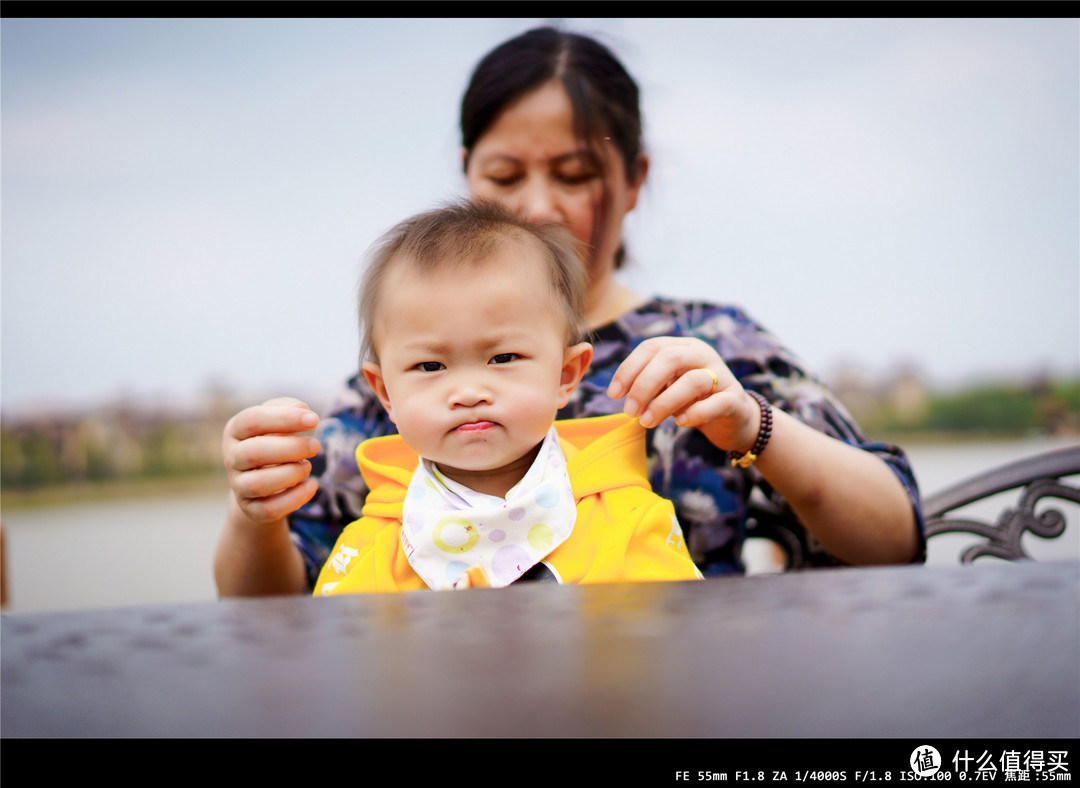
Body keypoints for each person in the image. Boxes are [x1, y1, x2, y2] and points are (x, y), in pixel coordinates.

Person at [215, 26, 924, 598]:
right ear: (467, 172)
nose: (538, 206)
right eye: (503, 176)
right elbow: (279, 612)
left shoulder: (712, 346)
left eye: (575, 175)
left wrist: (752, 423)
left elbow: (895, 542)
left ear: (634, 179)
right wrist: (255, 515)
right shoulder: (409, 386)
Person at [313, 200, 702, 594]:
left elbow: (673, 637)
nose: (468, 393)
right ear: (385, 394)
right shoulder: (370, 548)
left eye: (503, 358)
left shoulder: (628, 521)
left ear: (566, 376)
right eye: (430, 366)